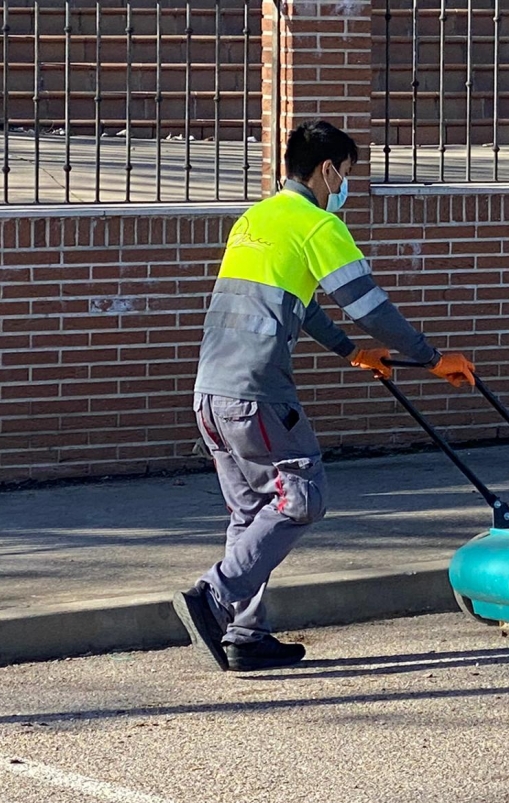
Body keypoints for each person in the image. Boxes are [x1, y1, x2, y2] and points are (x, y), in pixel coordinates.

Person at [173, 119, 475, 673]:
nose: (346, 188)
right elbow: (369, 304)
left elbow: (303, 304)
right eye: (347, 174)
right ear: (328, 168)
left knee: (251, 513)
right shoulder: (316, 225)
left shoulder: (256, 220)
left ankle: (245, 634)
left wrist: (349, 352)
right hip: (257, 392)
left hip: (210, 393)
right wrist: (433, 359)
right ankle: (214, 596)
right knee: (300, 494)